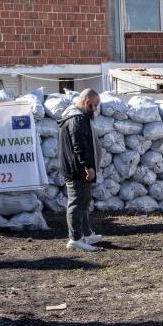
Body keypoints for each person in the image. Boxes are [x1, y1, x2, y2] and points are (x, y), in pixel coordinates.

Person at [58, 88, 104, 251]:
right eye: (95, 105)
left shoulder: (80, 117)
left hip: (80, 169)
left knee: (84, 202)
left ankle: (86, 233)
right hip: (77, 169)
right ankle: (76, 239)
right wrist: (87, 166)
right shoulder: (76, 119)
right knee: (77, 203)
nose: (96, 109)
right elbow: (79, 145)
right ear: (87, 102)